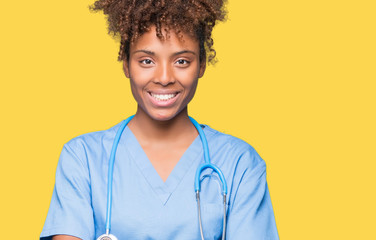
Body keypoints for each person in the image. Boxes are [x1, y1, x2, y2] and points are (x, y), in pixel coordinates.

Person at [40, 0, 279, 239]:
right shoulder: (83, 158)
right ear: (126, 64)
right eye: (146, 61)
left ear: (202, 65)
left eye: (182, 61)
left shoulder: (239, 163)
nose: (164, 78)